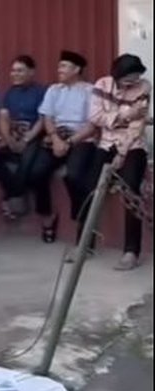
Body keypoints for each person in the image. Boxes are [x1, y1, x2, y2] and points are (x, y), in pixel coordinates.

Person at [88, 54, 151, 270]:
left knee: (130, 189)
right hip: (106, 142)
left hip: (132, 145)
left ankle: (131, 251)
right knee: (89, 184)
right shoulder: (102, 85)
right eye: (127, 79)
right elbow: (95, 116)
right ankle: (84, 243)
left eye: (135, 77)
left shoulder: (144, 87)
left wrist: (122, 155)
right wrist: (125, 114)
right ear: (117, 75)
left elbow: (138, 125)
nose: (132, 82)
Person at [36, 50, 97, 247]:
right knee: (37, 172)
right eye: (59, 66)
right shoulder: (54, 90)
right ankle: (47, 218)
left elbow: (92, 125)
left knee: (74, 176)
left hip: (81, 139)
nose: (59, 70)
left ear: (77, 69)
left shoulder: (91, 91)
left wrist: (70, 142)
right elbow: (48, 117)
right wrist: (55, 139)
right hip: (57, 137)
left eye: (64, 66)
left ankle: (83, 225)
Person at [0, 56, 49, 234]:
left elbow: (43, 119)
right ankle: (16, 194)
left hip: (36, 137)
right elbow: (4, 118)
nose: (15, 74)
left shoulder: (42, 92)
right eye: (13, 70)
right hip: (15, 136)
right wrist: (9, 140)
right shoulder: (10, 93)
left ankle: (10, 198)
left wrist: (27, 139)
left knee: (27, 161)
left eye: (20, 70)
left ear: (32, 72)